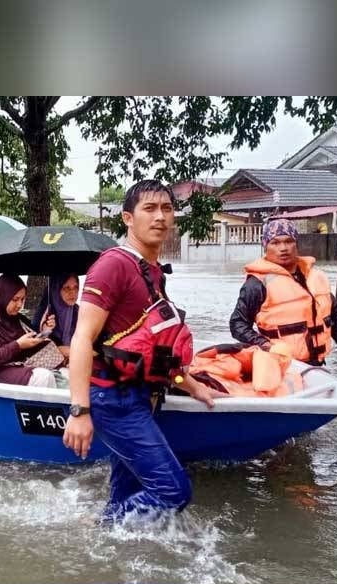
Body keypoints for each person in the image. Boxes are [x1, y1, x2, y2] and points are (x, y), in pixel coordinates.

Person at [62, 179, 222, 523]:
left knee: (128, 489)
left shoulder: (152, 272)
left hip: (140, 396)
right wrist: (79, 412)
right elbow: (81, 338)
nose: (160, 217)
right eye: (149, 209)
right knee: (172, 491)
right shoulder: (112, 265)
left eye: (166, 209)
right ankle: (101, 527)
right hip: (113, 401)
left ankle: (110, 547)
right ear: (127, 218)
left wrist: (191, 385)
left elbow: (154, 348)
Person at [229, 219, 337, 376]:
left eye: (289, 241)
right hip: (280, 368)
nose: (283, 248)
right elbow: (237, 324)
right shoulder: (257, 285)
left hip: (316, 367)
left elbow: (336, 317)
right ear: (265, 246)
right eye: (275, 243)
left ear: (296, 244)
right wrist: (264, 344)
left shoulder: (316, 278)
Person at [0, 274, 59, 388]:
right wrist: (17, 345)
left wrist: (44, 331)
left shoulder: (16, 319)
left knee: (63, 373)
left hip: (16, 367)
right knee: (43, 377)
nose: (20, 305)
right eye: (15, 299)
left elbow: (29, 345)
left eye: (22, 299)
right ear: (2, 297)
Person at [31, 273, 79, 360]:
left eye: (76, 287)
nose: (73, 292)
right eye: (66, 288)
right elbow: (34, 347)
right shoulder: (45, 315)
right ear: (55, 290)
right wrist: (45, 332)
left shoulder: (78, 312)